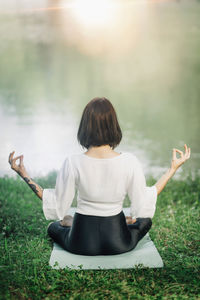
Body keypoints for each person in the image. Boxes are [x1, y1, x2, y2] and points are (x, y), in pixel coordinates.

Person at [8, 97, 191, 256]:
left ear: (85, 126)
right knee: (145, 221)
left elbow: (56, 204)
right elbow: (144, 202)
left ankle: (72, 223)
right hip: (119, 243)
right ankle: (124, 221)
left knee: (53, 227)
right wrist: (172, 169)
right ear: (113, 125)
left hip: (80, 243)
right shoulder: (130, 161)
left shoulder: (72, 162)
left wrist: (24, 174)